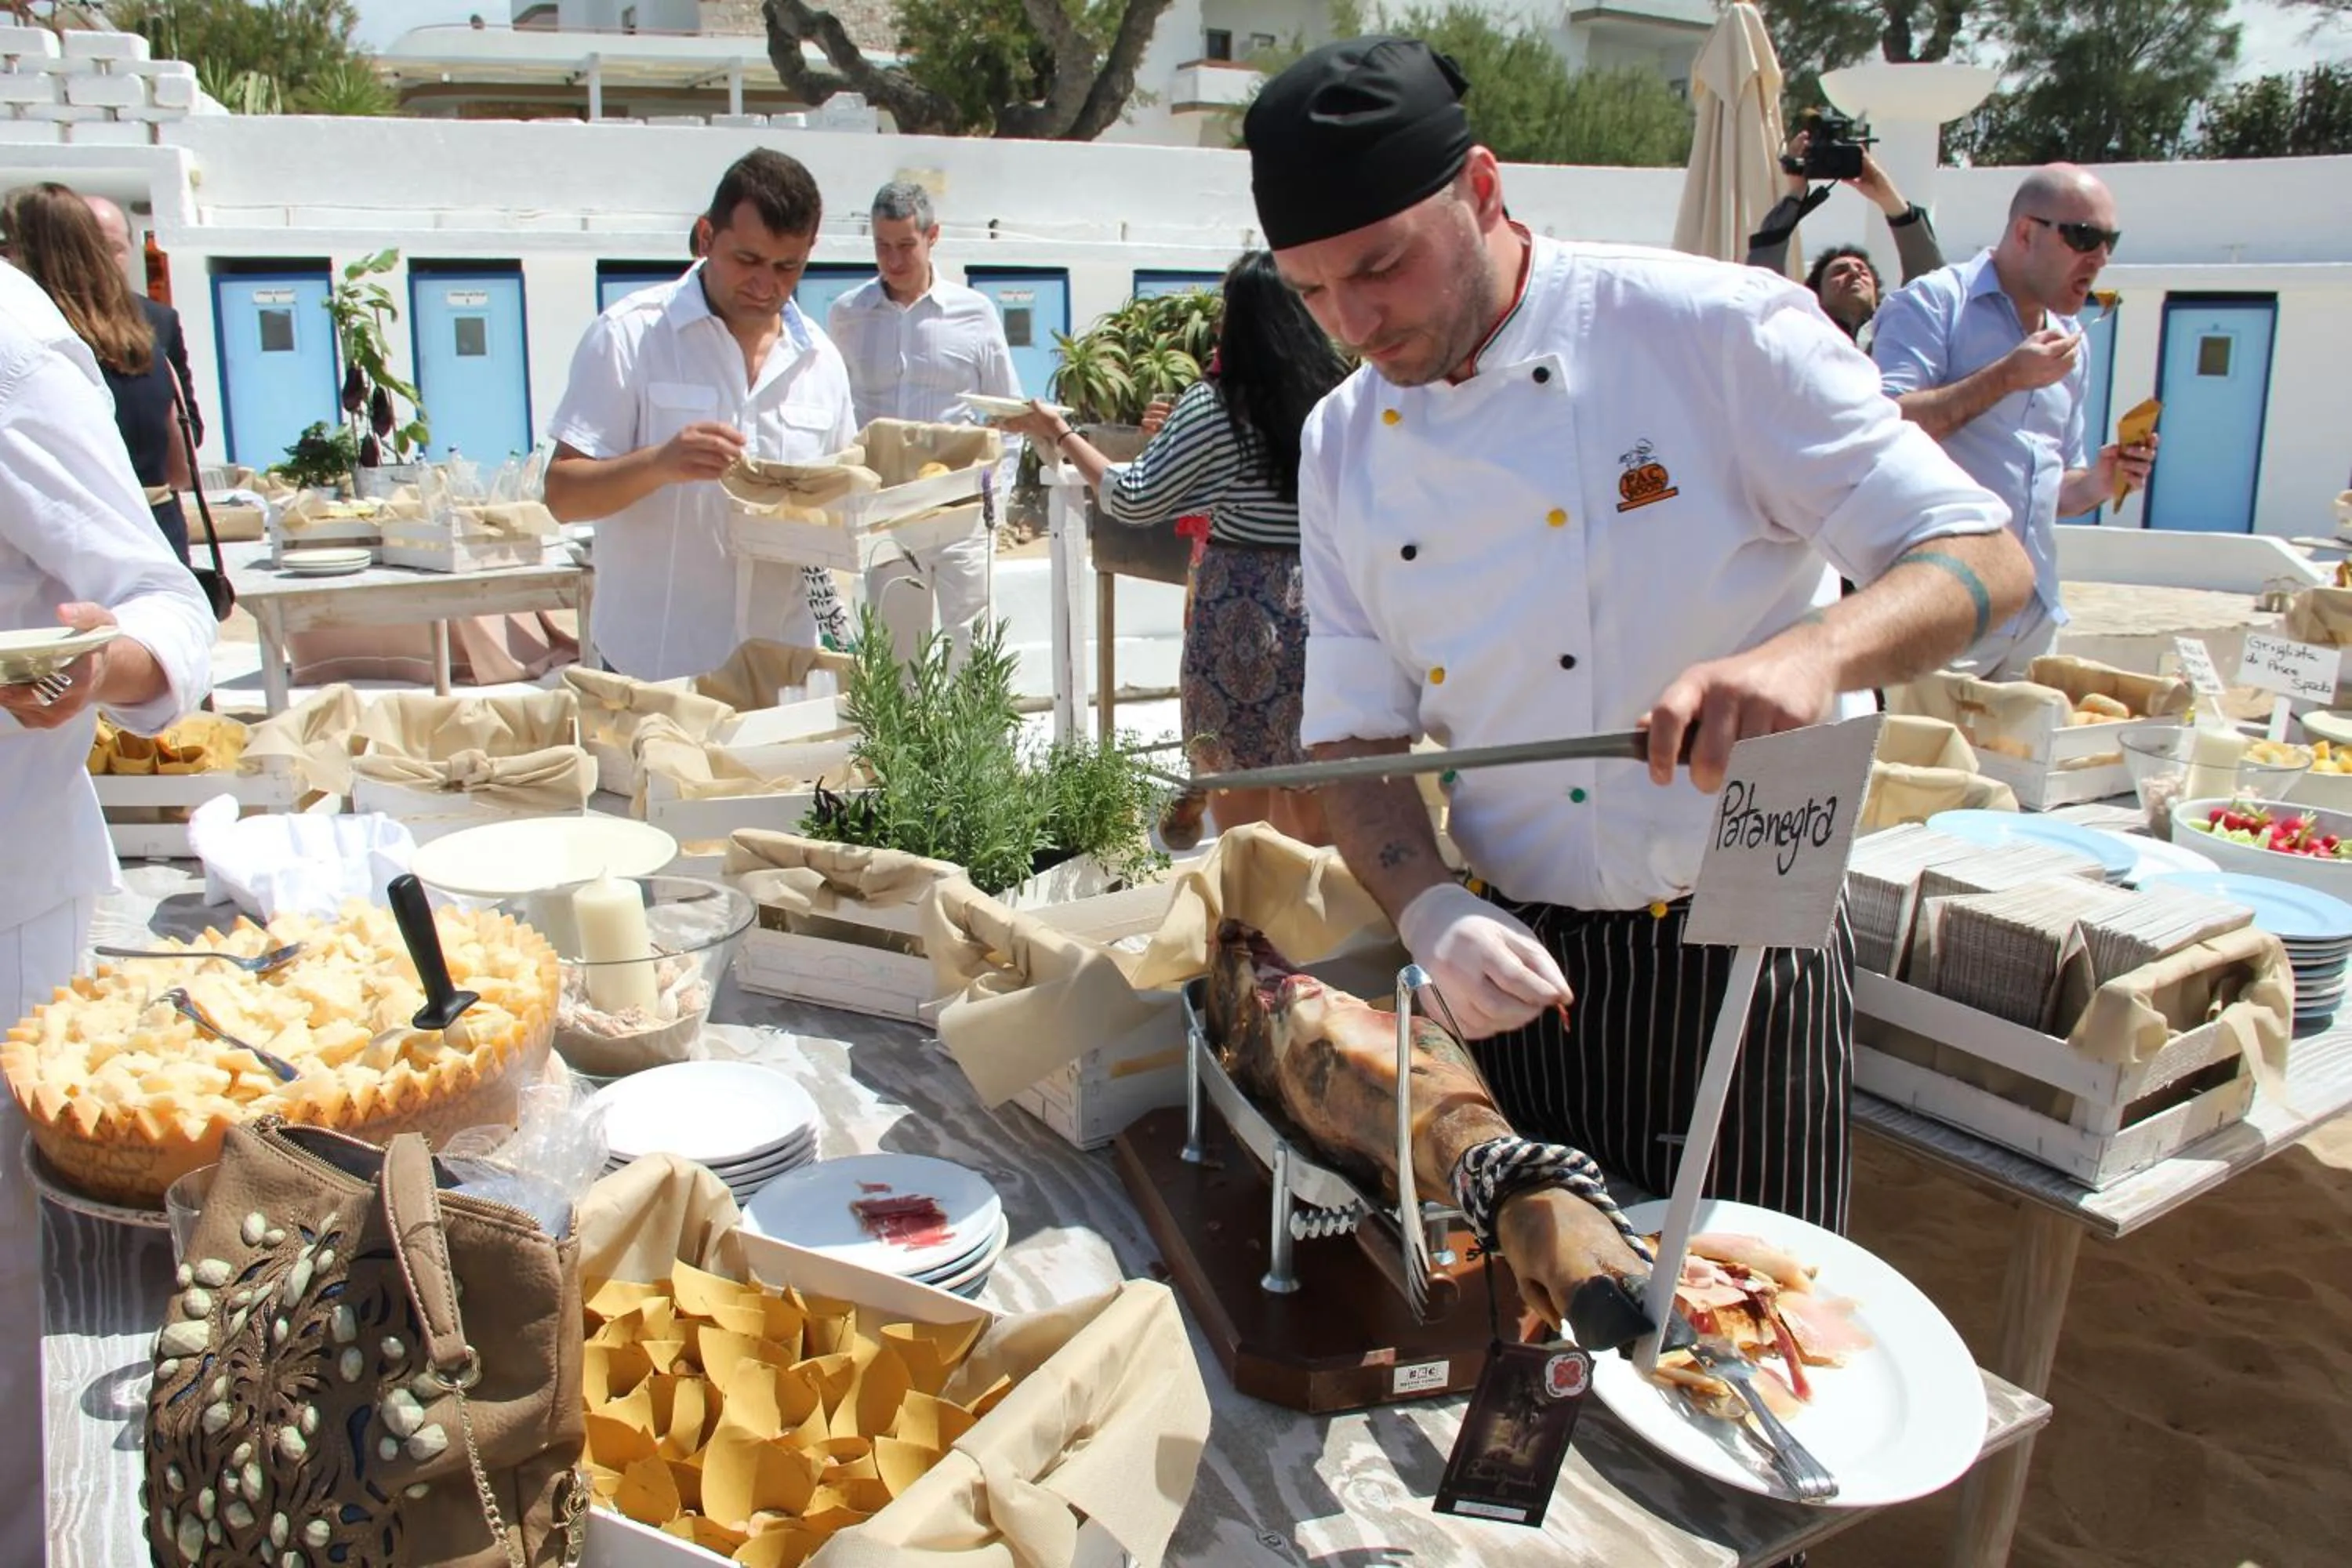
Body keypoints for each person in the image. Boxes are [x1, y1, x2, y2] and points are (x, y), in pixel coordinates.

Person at [1242, 37, 2028, 1243]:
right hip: (1510, 958)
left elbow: (1984, 557)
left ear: (1485, 191)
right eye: (1311, 292)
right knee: (1539, 1312)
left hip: (1744, 938)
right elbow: (1354, 735)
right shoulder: (1343, 440)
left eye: (1381, 268)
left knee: (1749, 1319)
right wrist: (1429, 912)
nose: (1354, 322)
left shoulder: (1716, 333)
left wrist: (1813, 653)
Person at [0, 254, 216, 1563]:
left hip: (4, 907)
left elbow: (159, 606)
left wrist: (99, 662)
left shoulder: (11, 350)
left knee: (14, 1330)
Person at [1000, 252, 1343, 851]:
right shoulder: (1337, 400)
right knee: (1308, 805)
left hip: (1245, 615)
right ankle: (1313, 933)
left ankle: (1251, 930)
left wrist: (1059, 433)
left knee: (1245, 815)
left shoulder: (1217, 406)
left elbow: (1133, 499)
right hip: (1322, 610)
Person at [545, 148, 856, 680]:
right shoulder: (630, 336)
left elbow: (845, 504)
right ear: (706, 237)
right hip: (655, 671)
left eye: (788, 267)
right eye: (748, 261)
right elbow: (563, 494)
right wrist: (660, 465)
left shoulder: (820, 362)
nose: (767, 285)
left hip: (778, 677)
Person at [1871, 165, 2156, 679]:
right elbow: (1883, 431)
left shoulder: (2072, 342)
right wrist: (2005, 377)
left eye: (2110, 242)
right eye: (2085, 237)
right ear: (2026, 232)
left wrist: (2101, 481)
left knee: (2015, 761)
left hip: (2032, 615)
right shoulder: (1935, 304)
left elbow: (2054, 490)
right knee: (1915, 759)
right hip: (1940, 605)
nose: (2100, 257)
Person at [827, 182, 1022, 670]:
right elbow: (833, 411)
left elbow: (1008, 414)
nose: (893, 260)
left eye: (905, 246)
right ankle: (902, 751)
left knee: (973, 651)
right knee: (897, 657)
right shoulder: (847, 315)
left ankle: (981, 749)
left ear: (932, 236)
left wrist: (996, 502)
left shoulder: (974, 314)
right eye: (882, 246)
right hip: (887, 512)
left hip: (960, 510)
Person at [1, 183, 195, 562]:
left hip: (81, 546)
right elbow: (179, 469)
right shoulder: (145, 336)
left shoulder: (39, 342)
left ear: (24, 252)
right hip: (160, 525)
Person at [1745, 132, 1944, 347]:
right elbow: (1763, 283)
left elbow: (1930, 282)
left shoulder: (1895, 328)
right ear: (1817, 296)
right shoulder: (1801, 333)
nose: (1854, 272)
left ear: (1877, 297)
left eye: (1862, 270)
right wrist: (1796, 194)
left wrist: (1888, 198)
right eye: (1839, 271)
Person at [81, 190, 205, 448]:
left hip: (152, 481)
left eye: (115, 249)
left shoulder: (160, 318)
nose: (103, 261)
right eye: (92, 249)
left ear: (130, 249)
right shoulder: (44, 317)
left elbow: (190, 425)